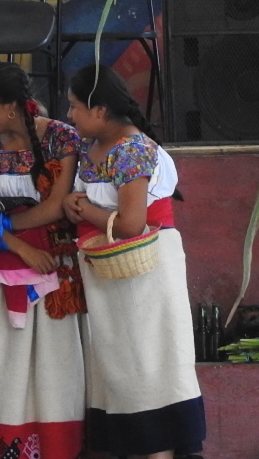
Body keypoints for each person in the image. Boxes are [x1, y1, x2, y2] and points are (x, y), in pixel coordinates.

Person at [63, 67, 205, 459]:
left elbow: (130, 223)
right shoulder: (92, 146)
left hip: (146, 277)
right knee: (122, 370)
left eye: (75, 107)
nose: (70, 115)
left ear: (101, 110)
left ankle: (160, 452)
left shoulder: (132, 150)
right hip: (110, 278)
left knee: (150, 365)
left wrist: (82, 208)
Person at [0, 62, 86, 459]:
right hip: (7, 267)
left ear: (12, 107)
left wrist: (3, 225)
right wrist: (19, 246)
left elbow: (55, 207)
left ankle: (58, 450)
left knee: (56, 364)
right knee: (6, 362)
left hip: (57, 270)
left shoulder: (61, 138)